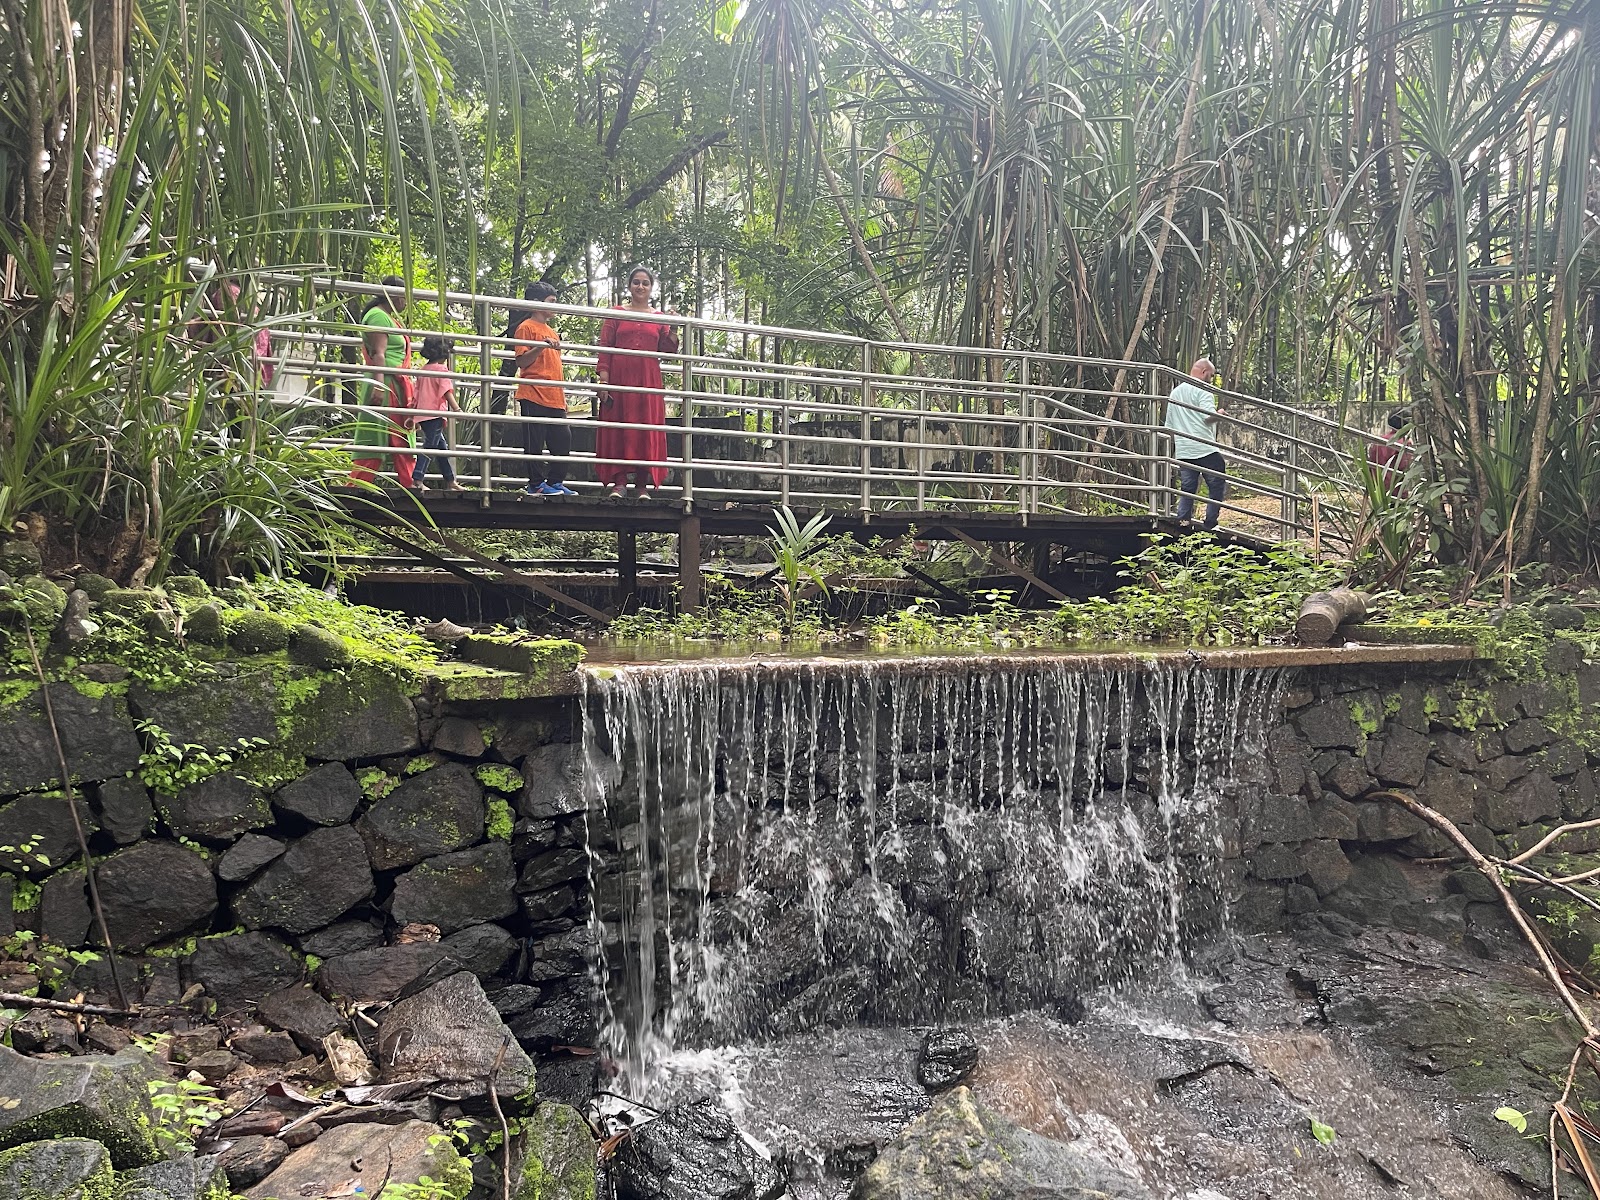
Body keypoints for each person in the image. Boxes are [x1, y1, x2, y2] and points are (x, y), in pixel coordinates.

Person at [595, 265, 680, 501]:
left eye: (645, 283)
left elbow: (667, 349)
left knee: (645, 427)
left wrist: (673, 328)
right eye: (636, 282)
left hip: (648, 380)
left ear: (651, 288)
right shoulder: (616, 313)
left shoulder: (659, 318)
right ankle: (620, 483)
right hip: (620, 378)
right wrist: (604, 379)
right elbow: (605, 347)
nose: (640, 286)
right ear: (629, 286)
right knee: (620, 426)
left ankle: (642, 485)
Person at [513, 282, 577, 497]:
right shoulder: (526, 327)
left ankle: (555, 482)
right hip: (533, 393)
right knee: (534, 442)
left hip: (554, 395)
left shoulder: (551, 331)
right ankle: (536, 484)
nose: (554, 306)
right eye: (551, 302)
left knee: (563, 440)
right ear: (537, 303)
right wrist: (541, 346)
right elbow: (522, 361)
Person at [351, 276, 416, 488]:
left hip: (395, 383)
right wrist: (379, 387)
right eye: (404, 296)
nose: (406, 301)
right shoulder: (378, 316)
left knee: (399, 434)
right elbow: (379, 354)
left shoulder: (388, 317)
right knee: (376, 434)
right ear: (394, 295)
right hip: (385, 382)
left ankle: (410, 484)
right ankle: (356, 486)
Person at [1163, 357, 1226, 529]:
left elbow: (1169, 425)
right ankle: (1210, 523)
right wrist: (1219, 413)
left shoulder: (1175, 393)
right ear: (1204, 372)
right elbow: (1208, 416)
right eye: (1211, 376)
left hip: (1184, 450)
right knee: (1217, 485)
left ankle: (1183, 521)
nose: (1211, 380)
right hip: (1204, 448)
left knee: (1187, 489)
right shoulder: (1203, 391)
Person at [413, 335, 467, 492]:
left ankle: (450, 481)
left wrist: (413, 414)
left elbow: (416, 393)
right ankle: (418, 478)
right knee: (430, 445)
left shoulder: (424, 370)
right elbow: (446, 391)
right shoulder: (441, 369)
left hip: (423, 414)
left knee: (441, 448)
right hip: (435, 414)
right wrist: (457, 409)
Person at [1366, 408, 1415, 495]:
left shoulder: (1379, 440)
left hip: (1377, 487)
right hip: (1395, 489)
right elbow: (1403, 465)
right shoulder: (1405, 442)